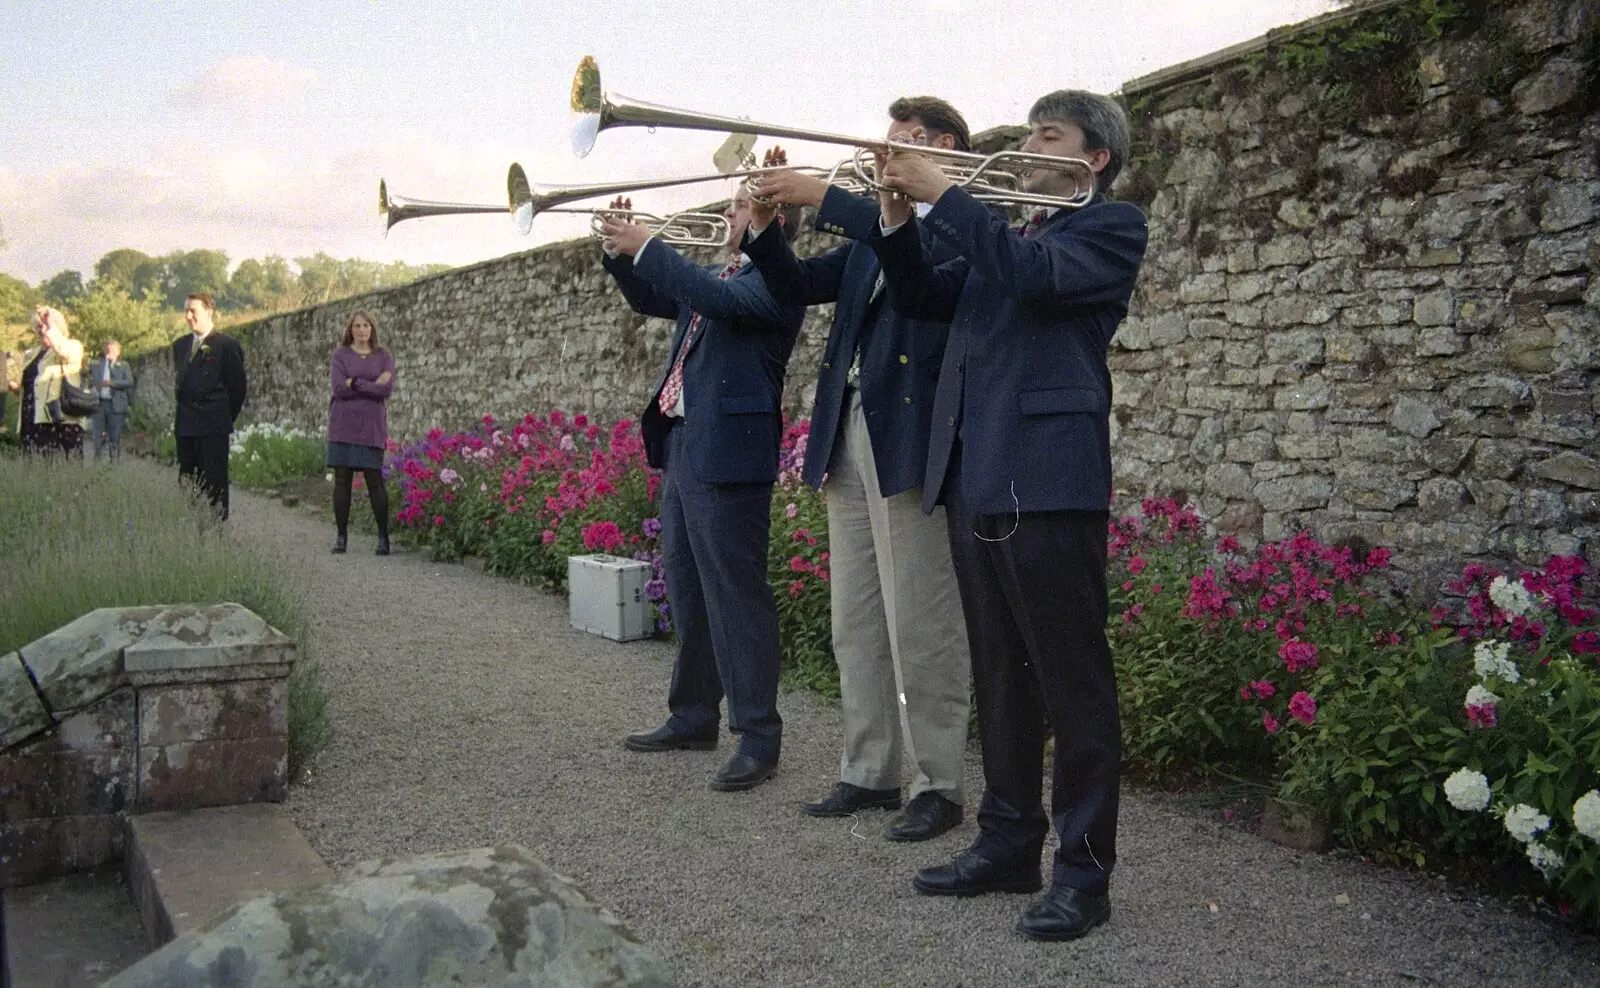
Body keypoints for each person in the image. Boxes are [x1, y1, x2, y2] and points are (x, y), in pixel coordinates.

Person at [869, 91, 1149, 941]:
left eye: (1047, 133)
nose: (1027, 143)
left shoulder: (1108, 229)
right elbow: (920, 293)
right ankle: (1006, 842)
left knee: (1072, 685)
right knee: (1001, 676)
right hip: (978, 475)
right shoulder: (1014, 234)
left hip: (1050, 483)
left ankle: (1083, 873)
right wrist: (895, 216)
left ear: (1093, 157)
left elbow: (1032, 283)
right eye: (1029, 130)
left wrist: (944, 196)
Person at [741, 98, 974, 842]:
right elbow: (795, 286)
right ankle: (869, 769)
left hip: (909, 436)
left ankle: (938, 783)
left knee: (923, 624)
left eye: (904, 143)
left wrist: (827, 196)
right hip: (847, 434)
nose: (885, 153)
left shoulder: (961, 221)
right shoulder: (874, 234)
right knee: (857, 621)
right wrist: (765, 227)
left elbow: (924, 283)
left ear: (943, 149)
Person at [600, 187, 805, 792]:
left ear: (774, 219)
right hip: (687, 442)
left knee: (736, 597)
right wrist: (622, 249)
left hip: (731, 454)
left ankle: (759, 736)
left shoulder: (773, 279)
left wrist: (654, 247)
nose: (727, 215)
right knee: (688, 588)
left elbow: (714, 297)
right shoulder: (716, 274)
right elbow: (651, 295)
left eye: (741, 207)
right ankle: (693, 716)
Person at [171, 292, 247, 519]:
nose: (188, 316)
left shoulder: (227, 345)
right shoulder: (180, 346)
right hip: (185, 427)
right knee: (188, 482)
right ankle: (191, 530)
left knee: (214, 484)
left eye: (193, 310)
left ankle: (216, 532)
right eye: (185, 311)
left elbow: (237, 389)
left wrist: (221, 418)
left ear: (209, 311)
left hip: (213, 428)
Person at [327, 310, 395, 555]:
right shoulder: (340, 355)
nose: (362, 330)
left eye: (366, 325)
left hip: (371, 427)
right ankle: (341, 537)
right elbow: (338, 388)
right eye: (357, 326)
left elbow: (385, 390)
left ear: (372, 328)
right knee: (342, 481)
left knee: (375, 481)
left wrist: (355, 382)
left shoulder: (383, 356)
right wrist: (371, 385)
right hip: (342, 425)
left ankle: (383, 538)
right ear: (350, 329)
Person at [17, 305, 86, 457]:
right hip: (34, 420)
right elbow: (30, 387)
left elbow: (64, 351)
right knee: (34, 470)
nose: (41, 331)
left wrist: (50, 325)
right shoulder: (31, 354)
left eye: (44, 326)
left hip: (62, 420)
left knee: (64, 469)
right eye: (38, 327)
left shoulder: (72, 346)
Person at [88, 339, 135, 462]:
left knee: (114, 436)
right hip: (99, 404)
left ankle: (114, 464)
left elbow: (129, 382)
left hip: (116, 405)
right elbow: (87, 377)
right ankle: (97, 463)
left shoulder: (124, 365)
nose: (109, 352)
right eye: (106, 349)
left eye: (112, 349)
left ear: (118, 352)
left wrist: (112, 383)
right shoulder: (96, 364)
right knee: (97, 436)